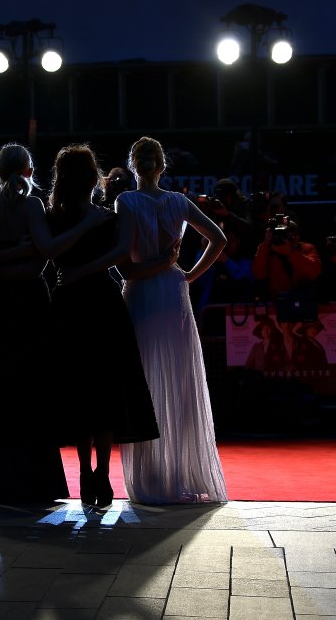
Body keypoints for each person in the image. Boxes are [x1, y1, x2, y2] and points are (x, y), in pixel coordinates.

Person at [0, 141, 108, 504]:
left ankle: (1, 483)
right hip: (31, 303)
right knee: (35, 393)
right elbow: (43, 255)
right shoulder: (32, 205)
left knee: (4, 395)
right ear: (29, 172)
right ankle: (41, 484)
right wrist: (21, 252)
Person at [45, 143, 160, 508]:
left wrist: (75, 268)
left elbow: (52, 257)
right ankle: (103, 474)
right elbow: (121, 257)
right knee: (107, 391)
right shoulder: (105, 217)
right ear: (94, 177)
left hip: (68, 307)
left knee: (79, 390)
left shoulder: (53, 218)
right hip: (103, 305)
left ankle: (83, 471)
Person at [115, 136, 229, 505]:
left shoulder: (126, 201)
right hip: (172, 292)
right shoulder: (178, 201)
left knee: (143, 383)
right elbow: (219, 238)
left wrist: (165, 269)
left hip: (142, 293)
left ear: (134, 166)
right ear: (162, 166)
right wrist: (188, 275)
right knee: (177, 381)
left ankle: (150, 477)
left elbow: (125, 265)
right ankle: (179, 473)